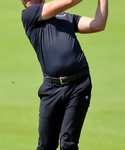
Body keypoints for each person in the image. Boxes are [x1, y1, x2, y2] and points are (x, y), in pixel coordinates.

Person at [21, 0, 108, 149]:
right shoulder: (30, 15)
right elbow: (68, 1)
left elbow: (98, 24)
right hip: (51, 89)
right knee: (46, 145)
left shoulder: (65, 17)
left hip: (79, 85)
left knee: (69, 144)